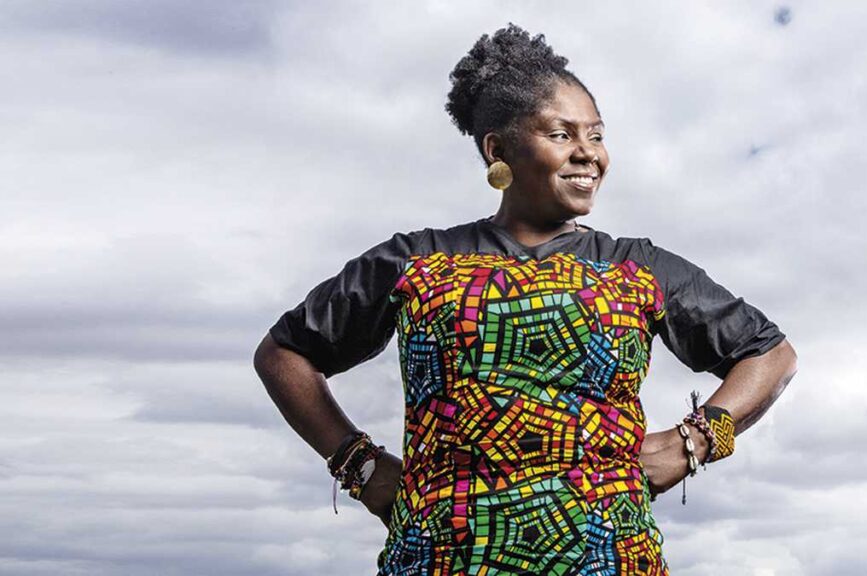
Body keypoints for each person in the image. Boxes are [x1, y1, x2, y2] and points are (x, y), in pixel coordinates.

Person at [254, 22, 798, 576]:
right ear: (498, 149)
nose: (589, 155)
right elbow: (284, 353)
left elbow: (770, 354)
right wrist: (360, 465)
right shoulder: (416, 261)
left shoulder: (636, 266)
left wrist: (694, 442)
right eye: (562, 135)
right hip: (440, 560)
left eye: (597, 136)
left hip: (608, 559)